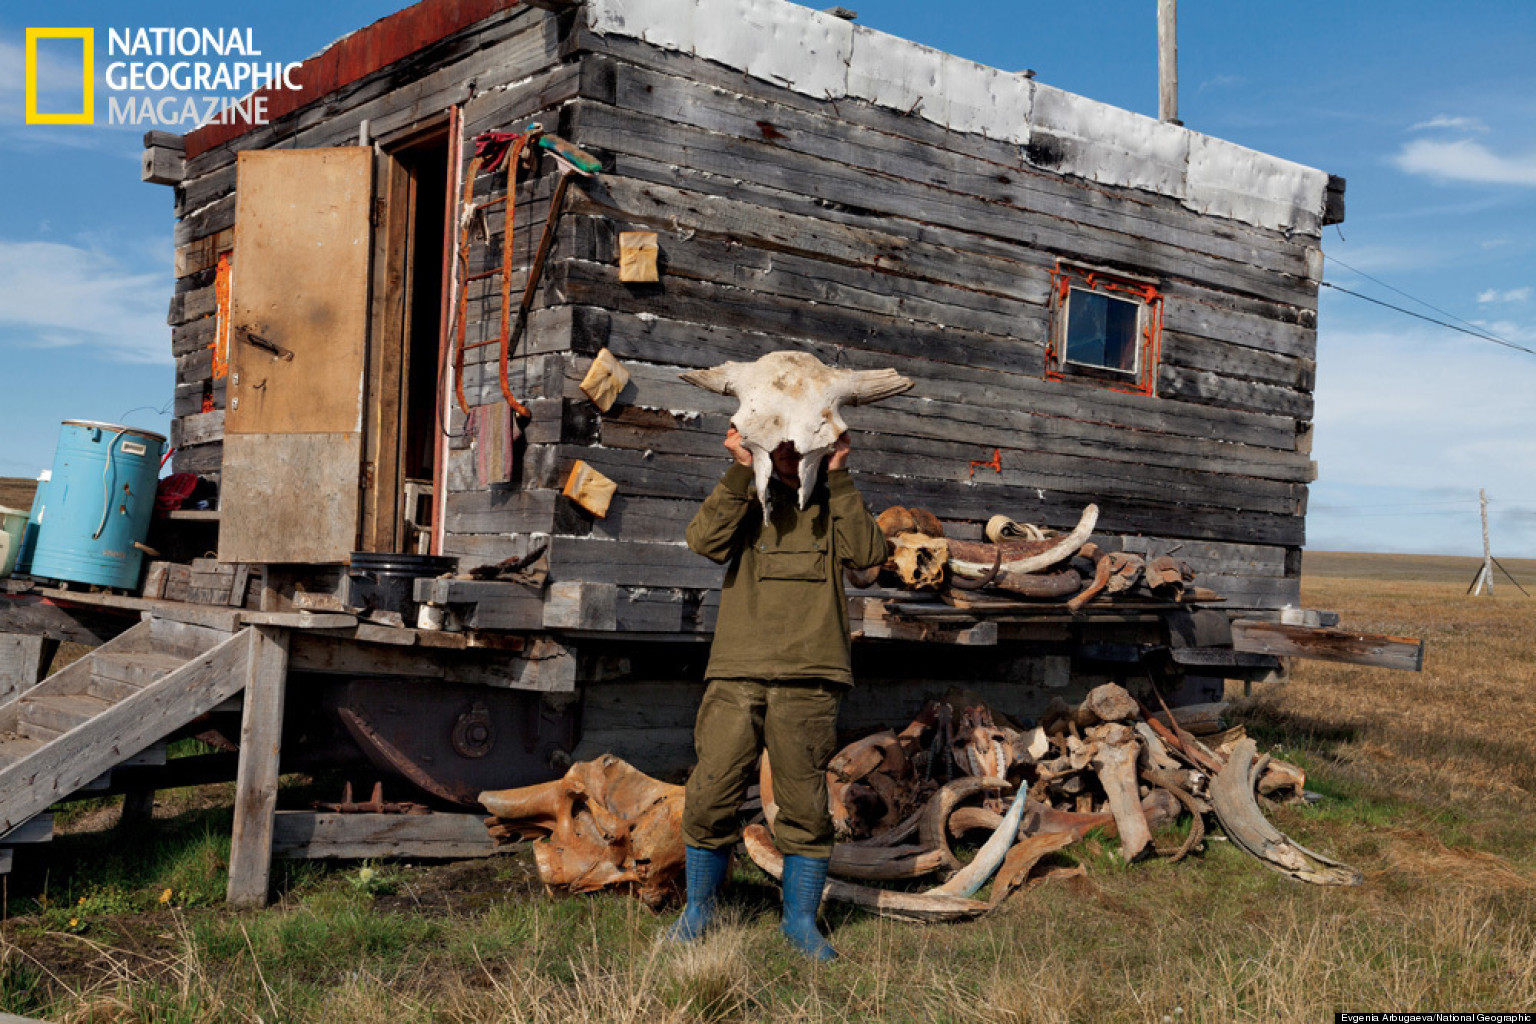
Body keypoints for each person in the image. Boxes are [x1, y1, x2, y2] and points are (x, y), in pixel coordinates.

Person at [666, 425, 888, 961]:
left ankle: (799, 923)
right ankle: (699, 911)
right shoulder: (751, 495)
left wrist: (840, 474)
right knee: (710, 793)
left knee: (805, 807)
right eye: (779, 439)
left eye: (803, 439)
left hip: (811, 677)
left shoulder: (833, 500)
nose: (790, 450)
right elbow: (704, 541)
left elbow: (867, 555)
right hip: (737, 672)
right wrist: (741, 468)